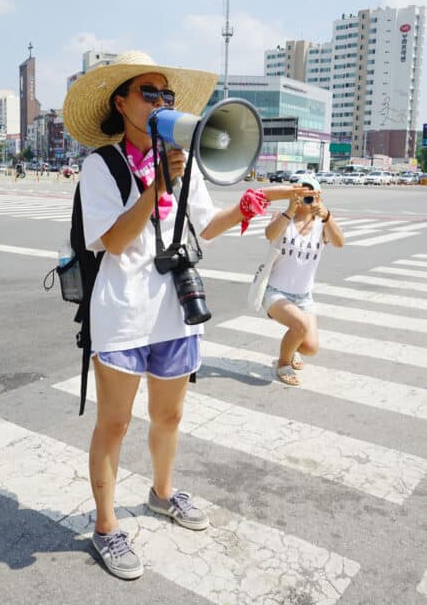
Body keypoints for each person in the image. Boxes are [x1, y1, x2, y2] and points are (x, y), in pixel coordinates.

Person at [62, 50, 312, 580]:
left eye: (166, 95)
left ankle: (162, 492)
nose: (159, 101)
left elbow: (202, 226)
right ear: (121, 102)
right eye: (148, 93)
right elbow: (111, 238)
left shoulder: (182, 159)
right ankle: (106, 527)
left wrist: (240, 210)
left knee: (169, 416)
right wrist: (156, 188)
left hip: (174, 310)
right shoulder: (100, 165)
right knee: (116, 422)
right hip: (122, 313)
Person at [263, 175, 344, 386]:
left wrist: (327, 217)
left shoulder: (321, 224)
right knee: (299, 325)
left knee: (311, 348)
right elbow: (270, 234)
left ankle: (293, 347)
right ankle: (282, 363)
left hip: (304, 297)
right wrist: (290, 209)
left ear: (318, 196)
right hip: (275, 292)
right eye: (301, 193)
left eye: (310, 194)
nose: (305, 199)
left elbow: (339, 242)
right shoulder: (282, 217)